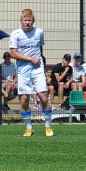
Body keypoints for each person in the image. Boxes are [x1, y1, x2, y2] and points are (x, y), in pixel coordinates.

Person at [9, 8, 53, 138]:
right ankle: (29, 128)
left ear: (33, 21)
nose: (27, 22)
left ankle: (48, 125)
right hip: (23, 70)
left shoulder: (39, 32)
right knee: (24, 100)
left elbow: (40, 49)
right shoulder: (15, 34)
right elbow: (13, 53)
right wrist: (30, 59)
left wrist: (41, 65)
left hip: (37, 69)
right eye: (25, 20)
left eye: (29, 20)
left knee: (43, 97)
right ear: (21, 20)